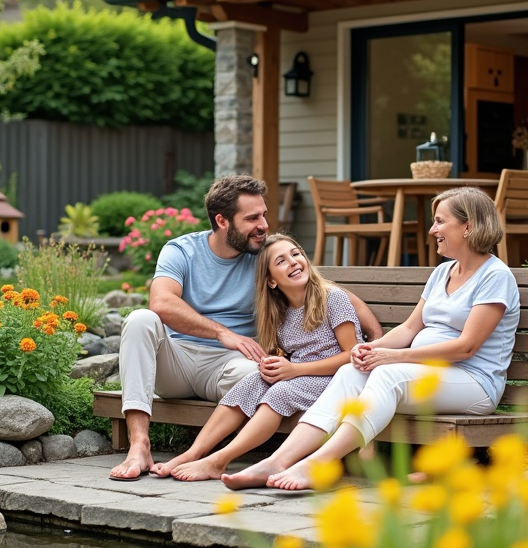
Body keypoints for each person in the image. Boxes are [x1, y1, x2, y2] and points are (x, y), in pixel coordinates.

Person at [221, 186, 520, 491]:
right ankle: (278, 460)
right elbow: (408, 329)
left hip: (474, 383)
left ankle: (318, 464)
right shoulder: (443, 273)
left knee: (387, 374)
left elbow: (466, 347)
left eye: (440, 222)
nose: (432, 230)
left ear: (467, 226)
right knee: (351, 369)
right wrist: (368, 350)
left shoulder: (494, 277)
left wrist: (392, 357)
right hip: (428, 376)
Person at [109, 175, 382, 481]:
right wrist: (221, 333)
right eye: (252, 218)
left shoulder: (265, 256)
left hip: (234, 366)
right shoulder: (182, 251)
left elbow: (334, 294)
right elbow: (161, 303)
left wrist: (375, 343)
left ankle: (214, 458)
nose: (263, 225)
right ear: (223, 220)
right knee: (139, 319)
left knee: (265, 379)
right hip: (178, 361)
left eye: (263, 214)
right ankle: (139, 445)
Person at [153, 234, 363, 481]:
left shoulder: (332, 298)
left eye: (296, 254)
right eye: (281, 261)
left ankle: (219, 460)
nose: (293, 262)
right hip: (303, 376)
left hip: (338, 378)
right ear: (272, 281)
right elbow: (286, 354)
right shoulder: (279, 313)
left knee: (280, 393)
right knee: (250, 384)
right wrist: (272, 364)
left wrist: (295, 370)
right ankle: (193, 453)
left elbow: (352, 356)